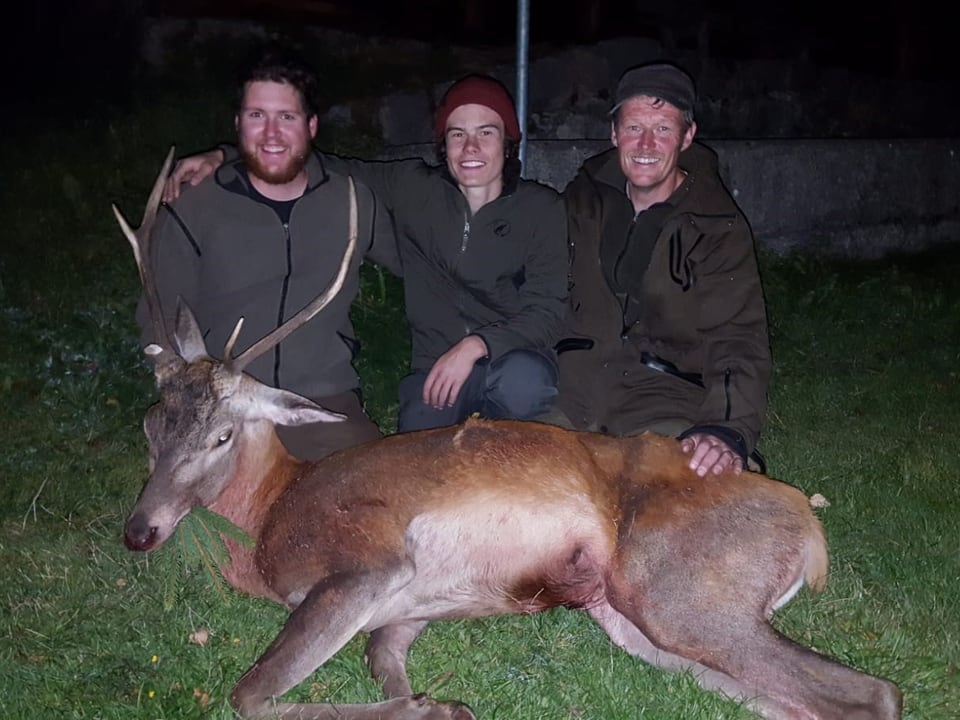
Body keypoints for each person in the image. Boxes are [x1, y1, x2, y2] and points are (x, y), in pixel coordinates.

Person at [166, 74, 569, 434]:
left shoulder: (541, 208)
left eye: (487, 132)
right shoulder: (413, 186)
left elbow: (548, 310)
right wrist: (227, 154)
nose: (471, 147)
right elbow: (317, 162)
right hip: (434, 367)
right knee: (418, 455)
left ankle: (506, 446)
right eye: (457, 134)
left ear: (508, 141)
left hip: (511, 360)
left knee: (524, 387)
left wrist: (476, 345)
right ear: (442, 144)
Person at [139, 44, 400, 461]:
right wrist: (186, 391)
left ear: (312, 125)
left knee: (370, 506)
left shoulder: (351, 201)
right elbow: (161, 323)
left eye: (287, 117)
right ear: (239, 123)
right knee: (193, 523)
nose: (272, 133)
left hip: (321, 399)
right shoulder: (196, 206)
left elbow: (424, 266)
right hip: (222, 406)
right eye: (257, 116)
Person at [555, 61, 772, 477]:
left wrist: (726, 430)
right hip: (570, 394)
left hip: (663, 398)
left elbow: (738, 338)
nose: (647, 143)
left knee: (705, 487)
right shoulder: (578, 202)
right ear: (614, 133)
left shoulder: (716, 225)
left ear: (687, 136)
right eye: (634, 127)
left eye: (664, 129)